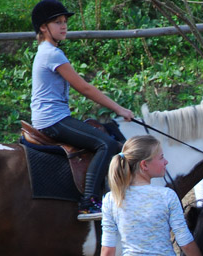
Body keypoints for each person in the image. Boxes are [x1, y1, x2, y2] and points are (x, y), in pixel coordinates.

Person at [30, 0, 134, 221]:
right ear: (43, 27)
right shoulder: (52, 54)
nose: (64, 26)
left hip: (52, 116)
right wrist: (119, 109)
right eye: (58, 22)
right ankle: (89, 203)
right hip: (53, 120)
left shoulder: (46, 51)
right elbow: (84, 88)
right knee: (106, 144)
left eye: (65, 22)